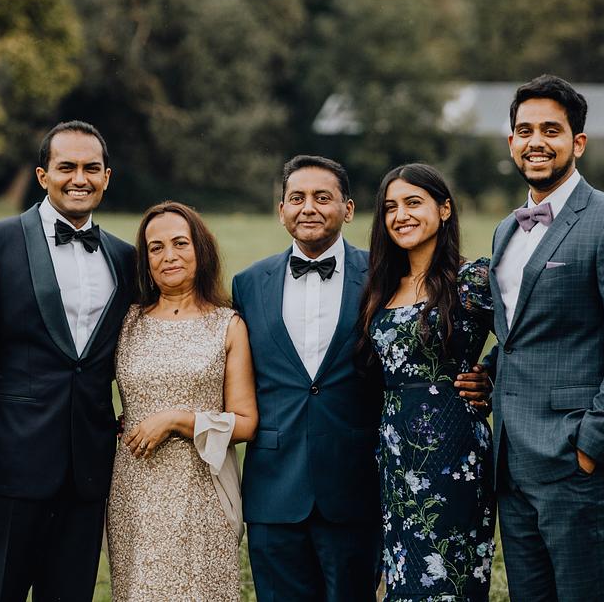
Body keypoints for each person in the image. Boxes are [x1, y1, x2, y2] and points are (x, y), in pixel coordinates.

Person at [232, 155, 492, 601]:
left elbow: (521, 332)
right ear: (281, 209)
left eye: (322, 197)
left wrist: (488, 373)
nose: (308, 207)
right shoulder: (248, 283)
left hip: (357, 486)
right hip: (274, 488)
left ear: (348, 209)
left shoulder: (383, 277)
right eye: (297, 198)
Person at [0, 121, 135, 600]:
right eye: (67, 167)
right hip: (7, 468)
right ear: (43, 175)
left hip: (89, 473)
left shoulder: (125, 258)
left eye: (91, 168)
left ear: (107, 177)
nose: (79, 179)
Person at [486, 74, 604, 601]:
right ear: (511, 142)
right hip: (512, 461)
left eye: (551, 130)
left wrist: (591, 446)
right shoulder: (505, 230)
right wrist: (486, 374)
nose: (536, 142)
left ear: (577, 142)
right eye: (525, 131)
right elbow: (522, 333)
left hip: (576, 460)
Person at [358, 163, 496, 600]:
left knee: (449, 580)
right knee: (403, 580)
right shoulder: (382, 287)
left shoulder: (474, 279)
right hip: (396, 452)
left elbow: (528, 339)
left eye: (413, 203)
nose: (401, 215)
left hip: (455, 450)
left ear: (445, 209)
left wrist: (490, 374)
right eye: (390, 207)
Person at [107, 201, 258, 600]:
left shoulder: (228, 324)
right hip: (133, 493)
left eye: (180, 243)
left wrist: (177, 419)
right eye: (156, 248)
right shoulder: (127, 321)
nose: (169, 256)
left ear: (200, 250)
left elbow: (245, 422)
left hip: (201, 494)